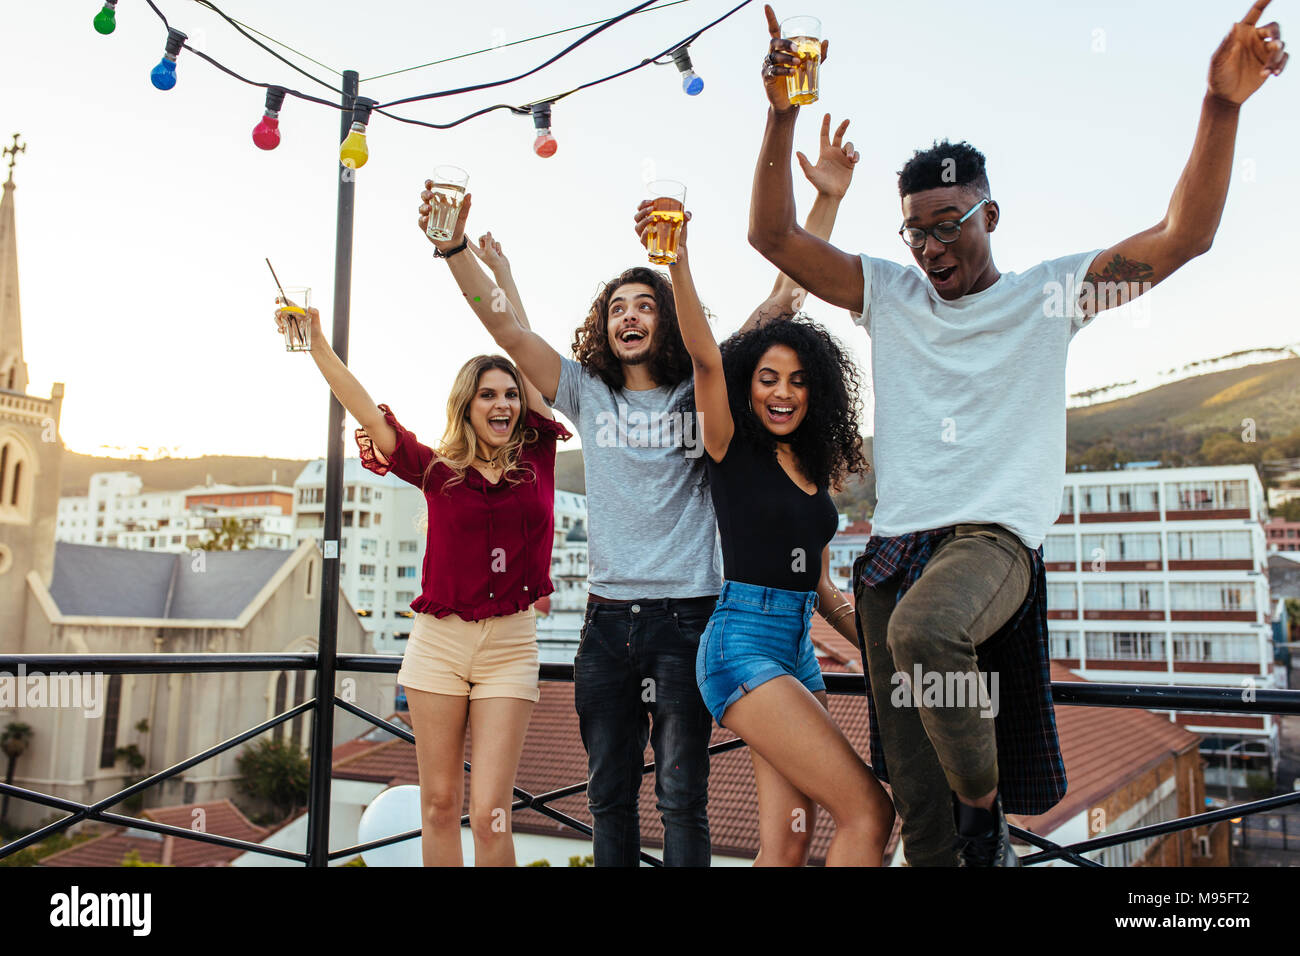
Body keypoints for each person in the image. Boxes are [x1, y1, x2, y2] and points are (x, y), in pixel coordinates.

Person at [747, 1, 1287, 866]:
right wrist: (781, 113)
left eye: (949, 222)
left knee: (928, 641)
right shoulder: (889, 293)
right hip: (893, 551)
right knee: (916, 820)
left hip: (989, 543)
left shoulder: (1051, 294)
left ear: (990, 216)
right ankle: (957, 830)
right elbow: (770, 234)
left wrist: (1221, 105)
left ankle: (984, 821)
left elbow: (1186, 235)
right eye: (916, 228)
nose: (929, 245)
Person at [416, 122, 859, 863]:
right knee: (606, 796)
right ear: (603, 326)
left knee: (683, 798)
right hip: (605, 626)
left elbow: (785, 295)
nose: (629, 315)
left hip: (690, 621)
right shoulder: (586, 394)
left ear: (668, 319)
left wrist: (825, 205)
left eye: (644, 305)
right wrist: (454, 249)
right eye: (617, 306)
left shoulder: (704, 387)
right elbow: (500, 322)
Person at [274, 236, 570, 867]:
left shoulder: (539, 454)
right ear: (467, 406)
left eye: (510, 395)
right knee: (438, 806)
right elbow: (362, 405)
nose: (504, 403)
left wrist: (506, 273)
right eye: (489, 394)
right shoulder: (438, 471)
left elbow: (526, 350)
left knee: (491, 814)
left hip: (511, 645)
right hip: (438, 643)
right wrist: (319, 346)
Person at [634, 192, 895, 865]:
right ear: (750, 386)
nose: (783, 392)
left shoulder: (812, 467)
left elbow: (824, 588)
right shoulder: (729, 447)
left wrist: (880, 651)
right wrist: (680, 262)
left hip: (798, 649)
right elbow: (706, 361)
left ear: (817, 392)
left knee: (784, 846)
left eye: (798, 381)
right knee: (870, 811)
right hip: (740, 645)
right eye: (769, 378)